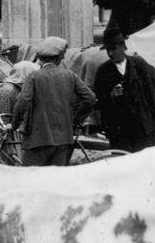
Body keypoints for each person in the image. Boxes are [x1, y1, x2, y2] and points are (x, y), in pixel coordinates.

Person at [11, 38, 95, 167]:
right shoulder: (70, 75)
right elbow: (90, 98)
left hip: (38, 139)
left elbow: (23, 103)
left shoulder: (33, 77)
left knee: (30, 179)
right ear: (59, 58)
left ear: (39, 58)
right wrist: (75, 120)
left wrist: (14, 125)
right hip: (64, 139)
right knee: (56, 181)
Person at [93, 26, 155, 151]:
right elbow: (99, 102)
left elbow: (152, 94)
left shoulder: (139, 65)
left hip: (142, 127)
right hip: (119, 131)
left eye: (113, 49)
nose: (110, 54)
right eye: (108, 50)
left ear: (123, 47)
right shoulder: (103, 71)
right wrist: (111, 95)